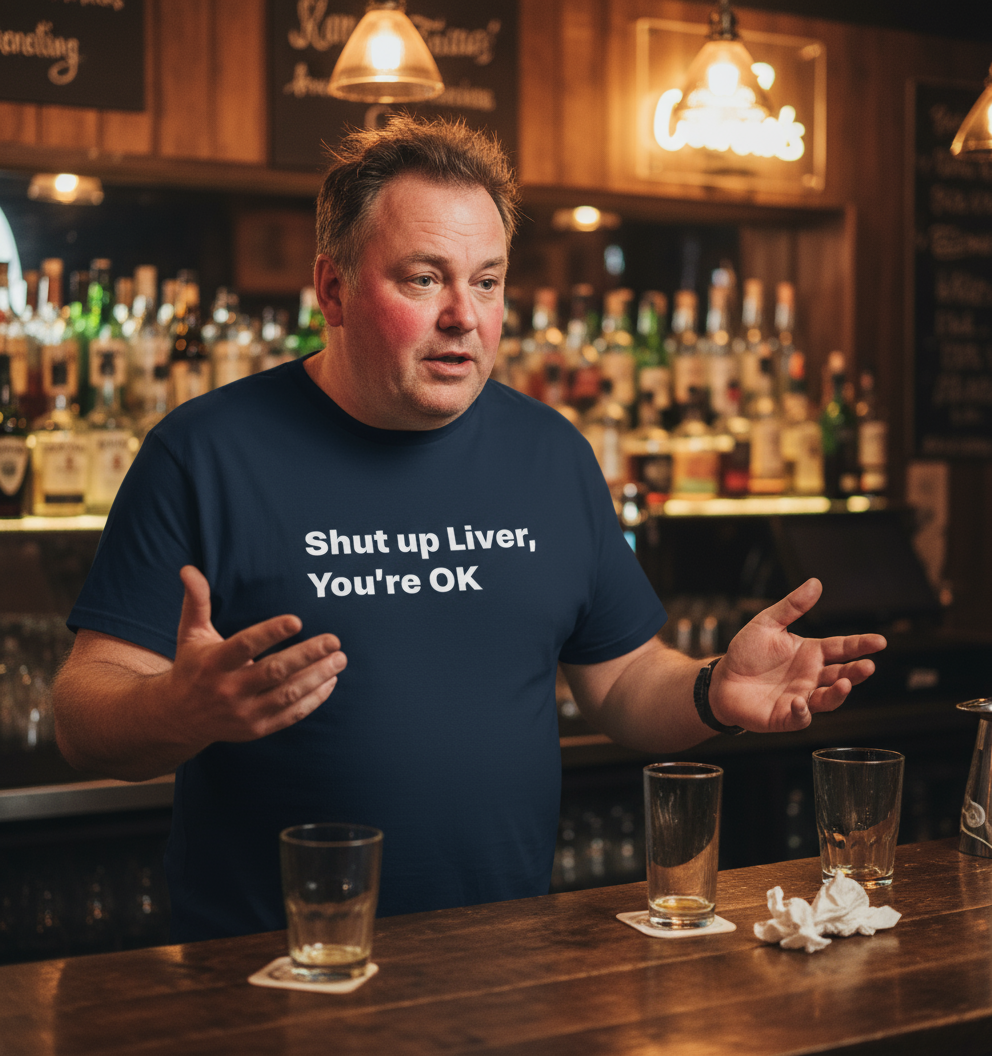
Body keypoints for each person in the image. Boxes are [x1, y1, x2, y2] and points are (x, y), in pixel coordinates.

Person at [52, 116, 885, 942]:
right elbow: (81, 718)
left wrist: (713, 690)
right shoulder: (203, 453)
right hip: (275, 973)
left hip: (506, 965)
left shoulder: (550, 453)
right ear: (332, 289)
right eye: (423, 278)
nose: (464, 315)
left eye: (487, 281)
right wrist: (181, 707)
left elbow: (625, 682)